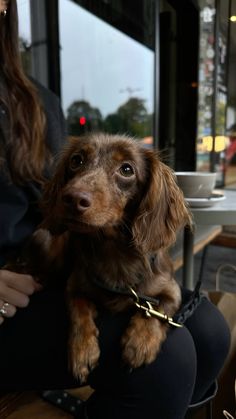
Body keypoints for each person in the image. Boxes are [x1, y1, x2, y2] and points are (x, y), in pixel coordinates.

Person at [0, 1, 231, 418]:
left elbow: (50, 207)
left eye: (124, 170)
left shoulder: (36, 99)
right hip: (18, 293)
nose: (78, 189)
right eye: (78, 167)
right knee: (168, 362)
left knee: (212, 332)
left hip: (47, 267)